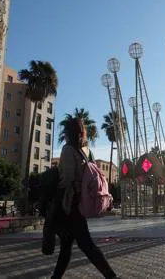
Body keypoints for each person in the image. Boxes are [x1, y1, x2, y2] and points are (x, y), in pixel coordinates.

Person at [50, 118, 118, 279]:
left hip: (72, 204)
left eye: (65, 132)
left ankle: (112, 276)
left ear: (67, 133)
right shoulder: (87, 151)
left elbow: (67, 178)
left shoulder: (68, 150)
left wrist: (54, 186)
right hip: (82, 201)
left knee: (85, 244)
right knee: (68, 246)